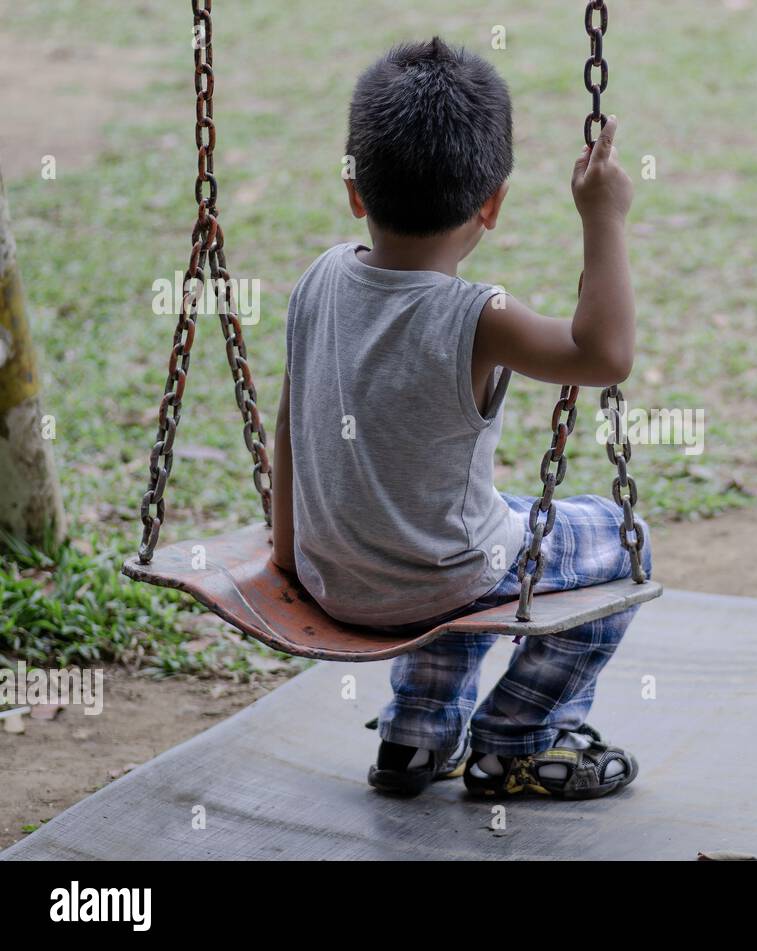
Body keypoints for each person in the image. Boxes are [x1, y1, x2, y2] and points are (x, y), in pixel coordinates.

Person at [270, 37, 648, 800]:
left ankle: (418, 732)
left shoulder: (318, 278)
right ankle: (515, 739)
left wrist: (289, 551)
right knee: (619, 538)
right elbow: (604, 355)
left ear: (355, 191)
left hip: (330, 569)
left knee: (472, 537)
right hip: (439, 578)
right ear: (494, 204)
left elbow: (286, 425)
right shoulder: (479, 316)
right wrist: (602, 217)